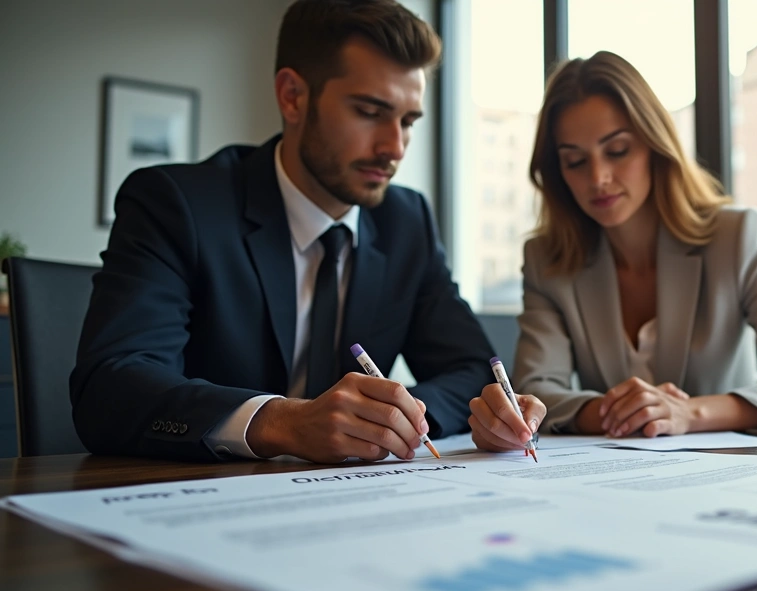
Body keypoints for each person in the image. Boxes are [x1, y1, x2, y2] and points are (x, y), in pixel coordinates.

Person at [71, 0, 498, 463]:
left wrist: (394, 420)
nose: (394, 147)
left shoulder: (406, 220)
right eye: (369, 112)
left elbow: (475, 372)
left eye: (408, 120)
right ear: (293, 96)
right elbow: (111, 386)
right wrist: (280, 422)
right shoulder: (177, 204)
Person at [468, 51, 757, 453]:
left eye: (617, 151)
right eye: (575, 161)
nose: (598, 178)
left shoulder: (734, 238)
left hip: (725, 477)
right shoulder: (548, 261)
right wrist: (629, 411)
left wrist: (691, 413)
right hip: (614, 479)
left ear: (656, 146)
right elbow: (535, 395)